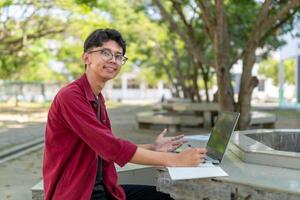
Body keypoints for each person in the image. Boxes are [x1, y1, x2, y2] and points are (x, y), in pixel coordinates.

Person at [43, 28, 207, 200]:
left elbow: (104, 148)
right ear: (86, 57)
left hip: (102, 188)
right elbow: (111, 148)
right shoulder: (71, 96)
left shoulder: (97, 98)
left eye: (118, 56)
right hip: (77, 193)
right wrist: (176, 160)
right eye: (105, 53)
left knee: (162, 197)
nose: (113, 60)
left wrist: (153, 147)